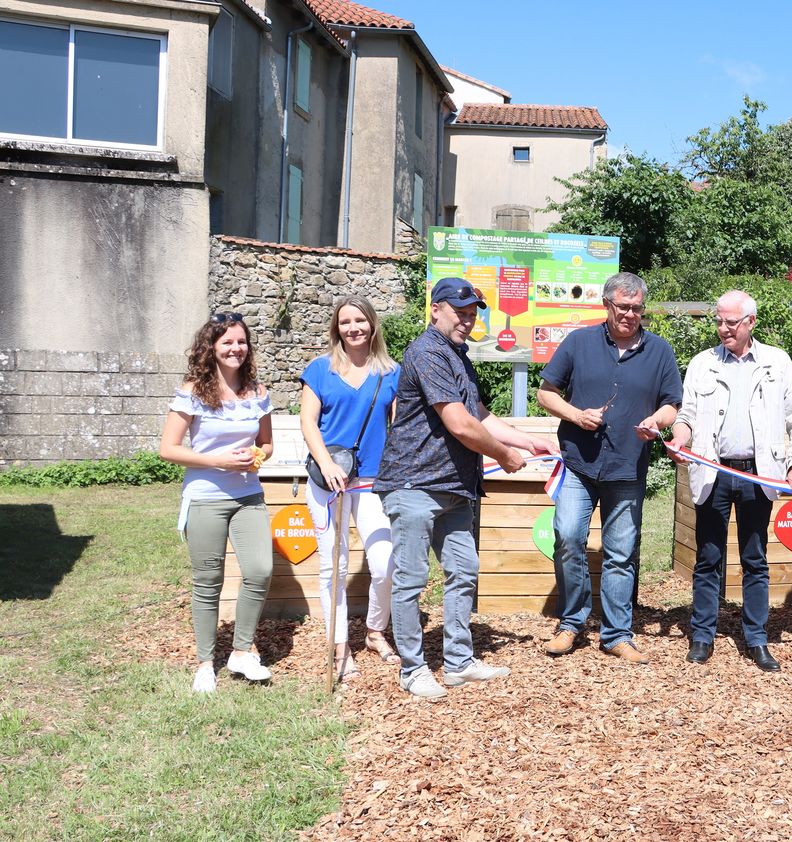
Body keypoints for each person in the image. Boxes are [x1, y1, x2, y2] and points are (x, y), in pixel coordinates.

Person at [375, 278, 558, 699]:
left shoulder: (457, 354)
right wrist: (504, 455)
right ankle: (412, 669)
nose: (468, 320)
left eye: (473, 313)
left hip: (455, 486)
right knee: (411, 579)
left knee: (463, 572)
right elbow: (458, 424)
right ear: (435, 309)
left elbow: (479, 414)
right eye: (460, 312)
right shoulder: (427, 352)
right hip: (414, 483)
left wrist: (526, 441)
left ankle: (458, 662)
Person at [537, 272, 683, 664]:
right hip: (579, 463)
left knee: (621, 552)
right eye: (623, 307)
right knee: (568, 537)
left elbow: (672, 404)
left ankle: (617, 634)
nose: (630, 315)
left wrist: (657, 421)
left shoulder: (659, 351)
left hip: (627, 467)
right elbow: (546, 394)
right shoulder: (579, 343)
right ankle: (571, 623)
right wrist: (575, 415)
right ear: (606, 305)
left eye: (637, 308)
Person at [670, 290, 792, 672]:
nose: (723, 328)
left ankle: (756, 638)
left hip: (757, 474)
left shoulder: (777, 362)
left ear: (751, 322)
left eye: (730, 322)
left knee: (755, 557)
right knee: (708, 557)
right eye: (718, 321)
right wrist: (680, 438)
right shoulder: (702, 363)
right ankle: (702, 636)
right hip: (713, 472)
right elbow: (687, 414)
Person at [159, 312, 275, 693]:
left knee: (260, 570)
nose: (235, 349)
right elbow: (168, 449)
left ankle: (241, 652)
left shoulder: (257, 391)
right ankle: (205, 663)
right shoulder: (193, 390)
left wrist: (256, 456)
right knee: (208, 581)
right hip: (205, 498)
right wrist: (219, 461)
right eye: (227, 342)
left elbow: (267, 444)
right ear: (211, 347)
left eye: (241, 342)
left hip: (248, 495)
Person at [299, 295, 401, 681]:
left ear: (372, 324)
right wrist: (326, 464)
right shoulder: (320, 369)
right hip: (328, 481)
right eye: (345, 322)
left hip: (373, 481)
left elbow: (399, 428)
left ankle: (375, 630)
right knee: (334, 566)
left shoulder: (391, 371)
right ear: (336, 328)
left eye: (360, 320)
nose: (353, 328)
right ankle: (340, 647)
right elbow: (308, 422)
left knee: (385, 562)